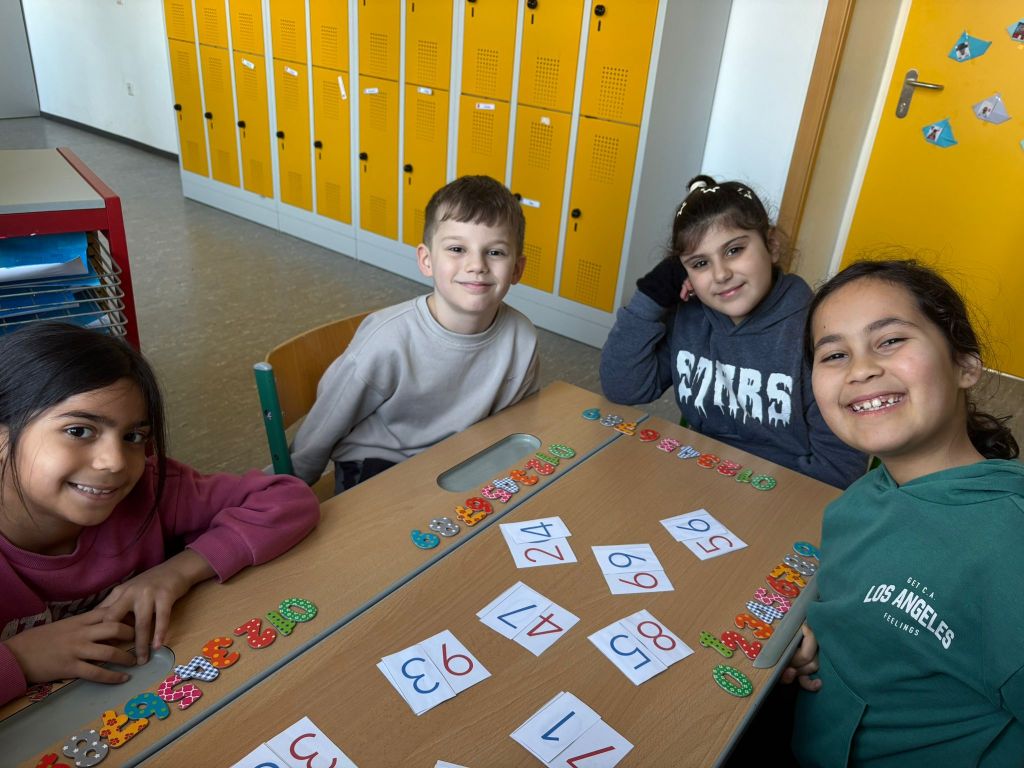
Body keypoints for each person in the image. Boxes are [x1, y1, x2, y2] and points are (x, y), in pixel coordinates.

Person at [0, 322, 320, 706]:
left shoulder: (150, 488)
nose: (115, 462)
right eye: (79, 431)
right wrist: (19, 659)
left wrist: (178, 571)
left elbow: (288, 498)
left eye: (133, 437)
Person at [792, 259, 1022, 764]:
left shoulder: (1011, 547)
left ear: (965, 365)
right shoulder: (857, 499)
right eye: (835, 354)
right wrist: (818, 638)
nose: (860, 369)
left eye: (891, 340)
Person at [600, 175, 865, 488]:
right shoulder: (690, 316)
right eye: (700, 263)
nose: (721, 274)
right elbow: (624, 388)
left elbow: (839, 469)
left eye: (734, 250)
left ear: (772, 246)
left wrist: (741, 486)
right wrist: (652, 295)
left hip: (784, 489)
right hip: (702, 472)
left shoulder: (819, 333)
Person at [289, 175, 539, 493]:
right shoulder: (387, 340)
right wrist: (292, 485)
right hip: (381, 463)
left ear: (517, 269)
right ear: (426, 260)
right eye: (457, 249)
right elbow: (328, 420)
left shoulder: (523, 337)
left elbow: (515, 426)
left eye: (496, 253)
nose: (477, 265)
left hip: (459, 462)